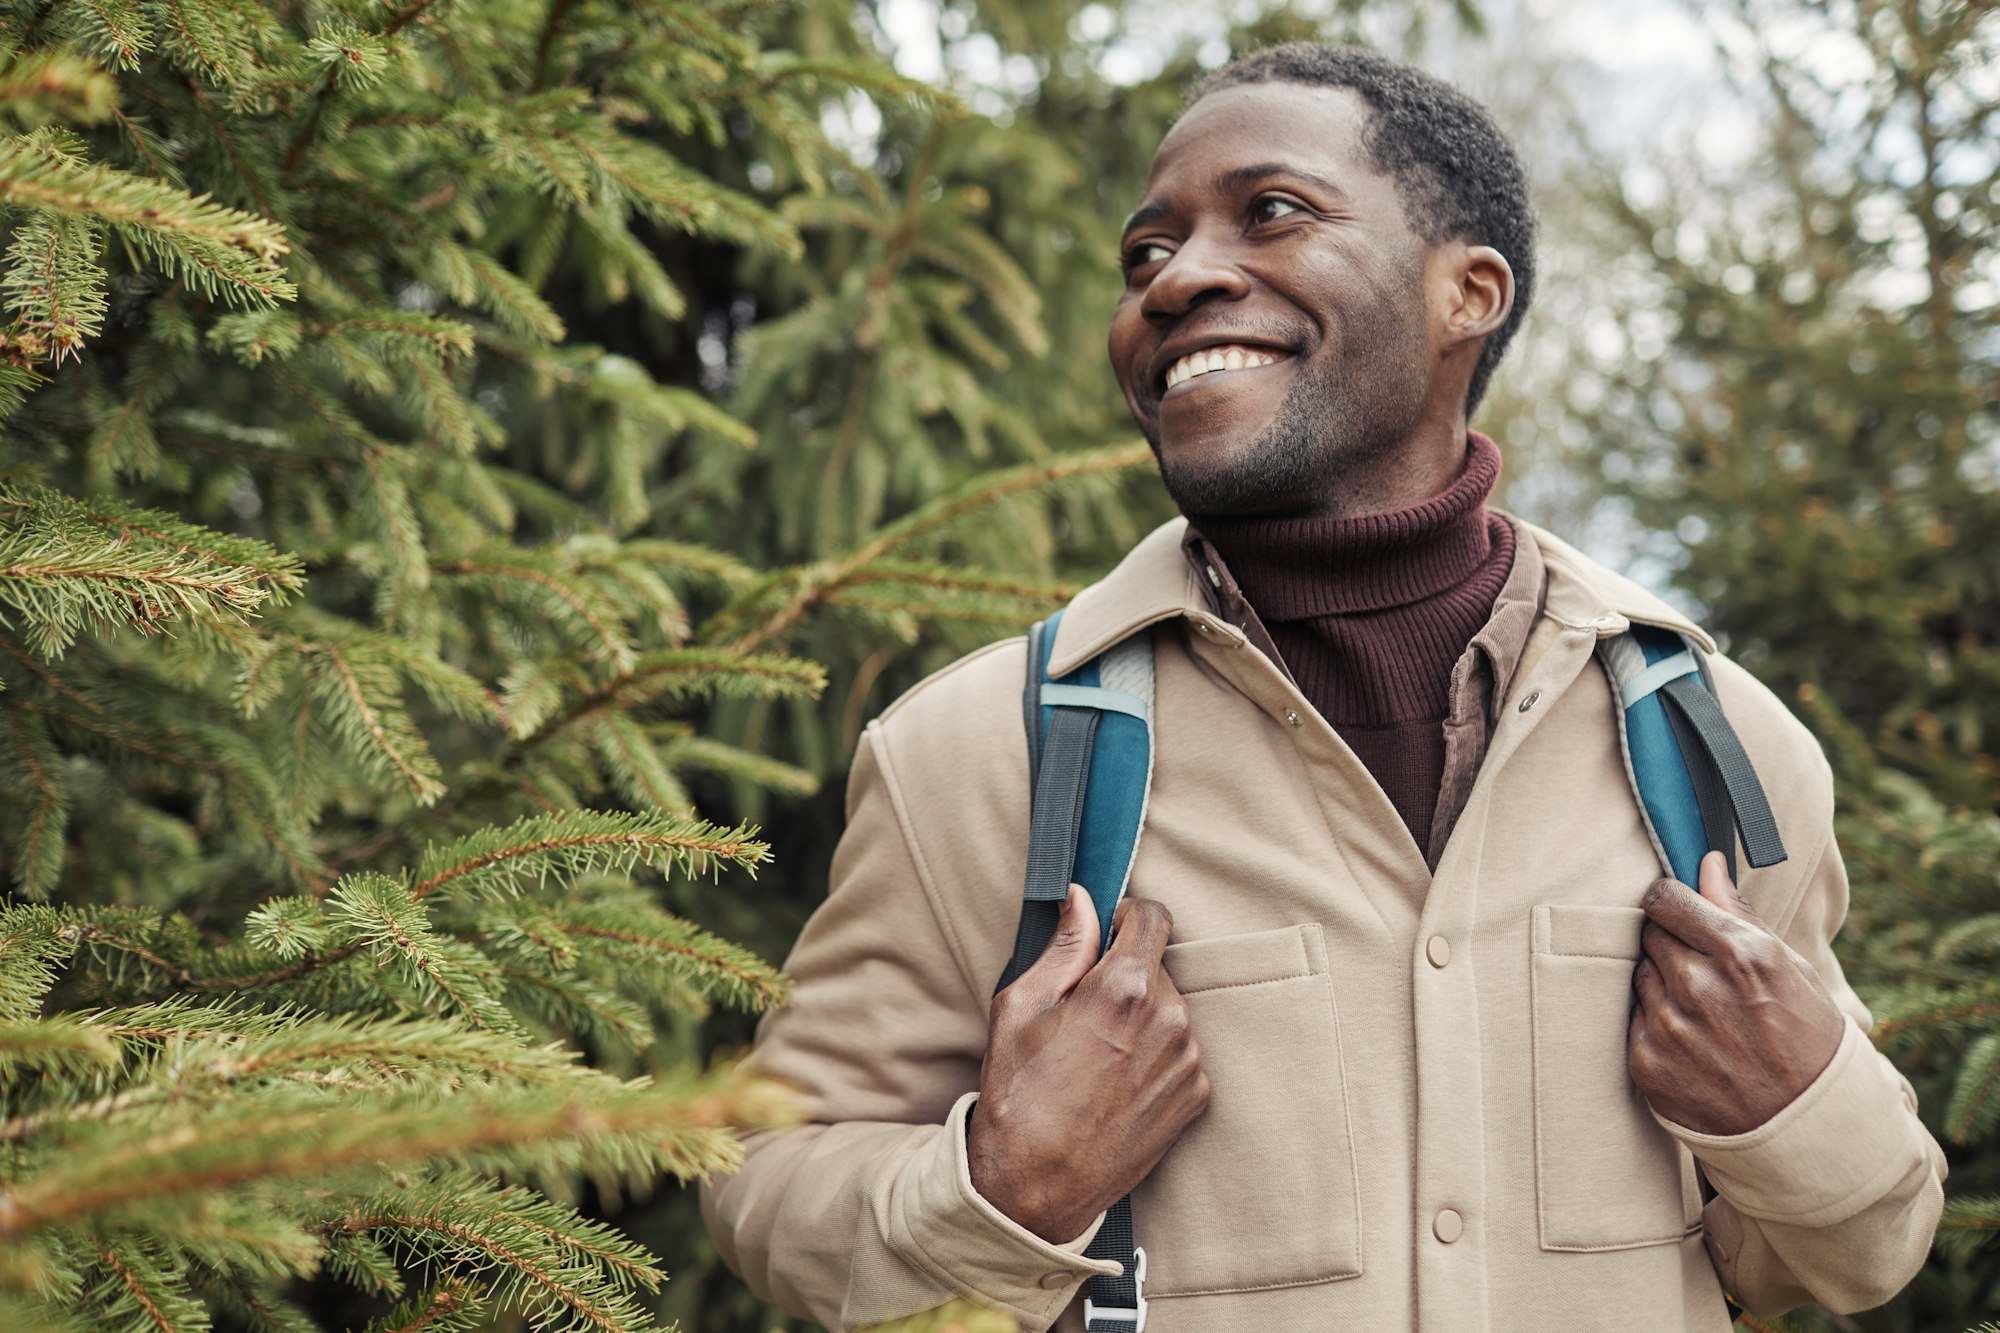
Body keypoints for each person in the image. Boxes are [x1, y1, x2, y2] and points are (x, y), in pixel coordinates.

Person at [700, 42, 1946, 1332]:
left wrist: (1794, 1110)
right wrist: (1005, 1185)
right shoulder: (975, 757)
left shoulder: (1720, 748)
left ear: (1467, 292)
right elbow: (772, 1189)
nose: (1176, 281)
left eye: (1272, 212)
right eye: (1145, 254)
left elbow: (1855, 1255)